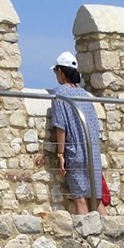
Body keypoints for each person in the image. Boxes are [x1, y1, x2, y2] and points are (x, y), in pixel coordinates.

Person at [48, 52, 102, 216]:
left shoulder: (60, 94)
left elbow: (61, 127)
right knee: (96, 199)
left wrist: (60, 154)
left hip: (75, 152)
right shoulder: (84, 94)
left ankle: (86, 231)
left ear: (60, 71)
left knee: (80, 199)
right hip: (93, 152)